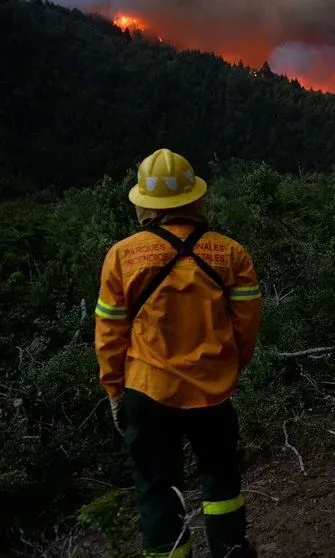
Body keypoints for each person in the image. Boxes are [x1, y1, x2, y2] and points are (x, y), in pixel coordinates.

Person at [95, 148, 262, 558]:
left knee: (156, 487)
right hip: (213, 391)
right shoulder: (230, 253)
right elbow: (246, 326)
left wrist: (115, 390)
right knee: (221, 478)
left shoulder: (122, 256)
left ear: (145, 206)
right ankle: (230, 550)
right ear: (195, 198)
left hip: (148, 389)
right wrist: (231, 366)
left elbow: (110, 333)